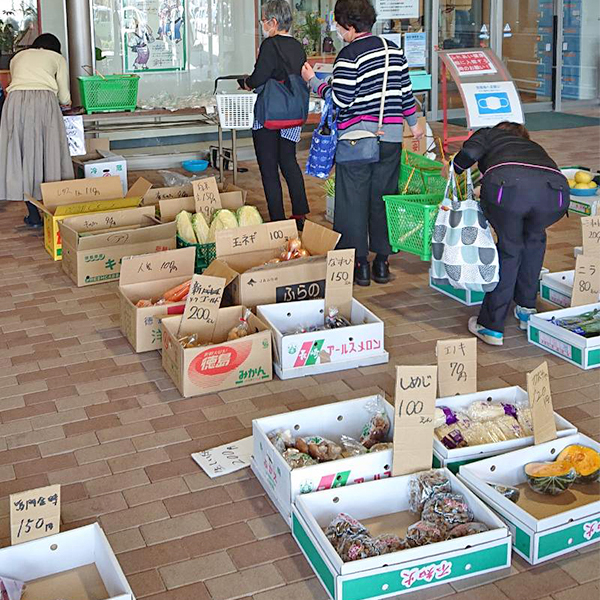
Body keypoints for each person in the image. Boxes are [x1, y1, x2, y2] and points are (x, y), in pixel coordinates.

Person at [302, 0, 423, 286]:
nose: (338, 30)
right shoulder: (394, 51)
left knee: (352, 202)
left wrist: (313, 82)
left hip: (356, 140)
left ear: (351, 26)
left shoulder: (349, 55)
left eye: (339, 25)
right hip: (390, 138)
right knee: (383, 199)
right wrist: (415, 126)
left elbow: (341, 98)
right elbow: (406, 93)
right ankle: (382, 262)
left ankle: (360, 267)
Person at [446, 121, 569, 346]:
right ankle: (526, 309)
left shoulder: (489, 134)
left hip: (509, 189)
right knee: (534, 240)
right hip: (555, 195)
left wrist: (455, 168)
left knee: (510, 249)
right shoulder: (532, 147)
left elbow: (469, 153)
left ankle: (491, 326)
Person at [243, 0, 310, 228]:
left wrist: (245, 83)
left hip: (269, 117)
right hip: (292, 116)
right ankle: (300, 214)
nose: (262, 24)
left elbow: (258, 78)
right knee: (289, 161)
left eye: (263, 20)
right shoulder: (297, 46)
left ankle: (278, 220)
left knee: (269, 168)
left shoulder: (270, 45)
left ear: (273, 22)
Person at [0, 33, 74, 228]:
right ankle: (56, 213)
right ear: (55, 49)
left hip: (14, 104)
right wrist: (67, 103)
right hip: (43, 103)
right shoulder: (57, 58)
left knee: (23, 156)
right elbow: (64, 96)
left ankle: (33, 216)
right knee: (50, 152)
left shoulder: (17, 57)